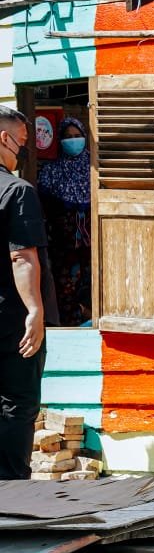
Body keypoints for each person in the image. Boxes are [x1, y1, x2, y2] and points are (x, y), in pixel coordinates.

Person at [0, 107, 46, 480]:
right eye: (23, 143)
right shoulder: (17, 190)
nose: (23, 151)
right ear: (5, 140)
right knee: (18, 400)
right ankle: (13, 494)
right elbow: (21, 256)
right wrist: (34, 309)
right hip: (8, 317)